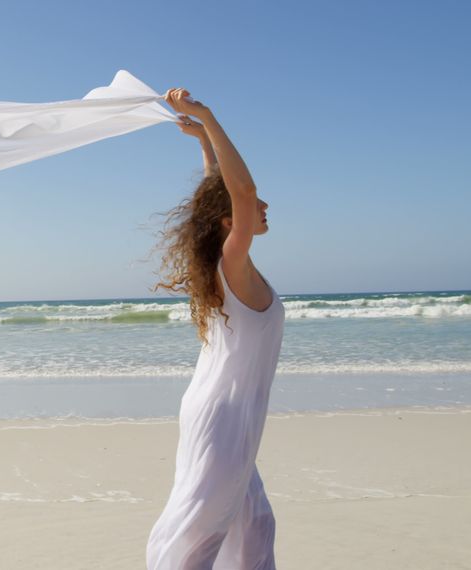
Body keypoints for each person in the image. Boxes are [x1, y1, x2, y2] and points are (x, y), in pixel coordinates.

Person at [145, 88, 284, 570]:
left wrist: (204, 142)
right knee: (199, 537)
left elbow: (222, 193)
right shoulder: (231, 262)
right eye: (253, 202)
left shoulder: (228, 263)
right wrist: (208, 114)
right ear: (230, 221)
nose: (263, 204)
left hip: (228, 414)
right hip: (223, 419)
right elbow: (239, 192)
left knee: (254, 525)